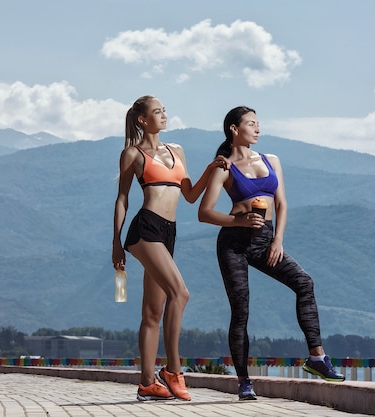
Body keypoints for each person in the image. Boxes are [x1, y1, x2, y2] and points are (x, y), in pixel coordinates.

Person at [198, 106, 345, 400]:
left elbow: (283, 204)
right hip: (234, 242)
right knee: (241, 311)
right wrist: (237, 220)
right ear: (234, 129)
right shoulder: (223, 166)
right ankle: (244, 381)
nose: (258, 129)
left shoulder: (271, 160)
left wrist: (278, 240)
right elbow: (204, 212)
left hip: (266, 239)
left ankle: (317, 358)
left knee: (304, 283)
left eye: (258, 124)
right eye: (251, 124)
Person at [112, 95, 228, 402]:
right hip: (146, 228)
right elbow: (122, 199)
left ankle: (147, 383)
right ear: (142, 120)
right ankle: (174, 370)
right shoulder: (132, 154)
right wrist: (115, 242)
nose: (164, 115)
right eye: (158, 111)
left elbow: (189, 195)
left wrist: (210, 169)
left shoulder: (177, 150)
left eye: (164, 111)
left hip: (169, 232)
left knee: (153, 311)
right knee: (181, 293)